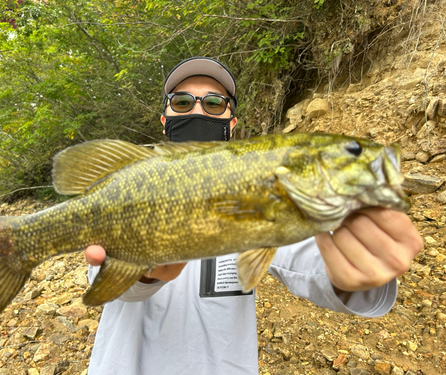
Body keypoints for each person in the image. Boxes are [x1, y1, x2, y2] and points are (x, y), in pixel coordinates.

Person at [84, 57, 423, 374]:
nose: (198, 111)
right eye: (183, 102)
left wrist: (361, 268)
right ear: (165, 119)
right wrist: (143, 274)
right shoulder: (130, 181)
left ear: (231, 122)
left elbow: (314, 264)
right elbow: (104, 282)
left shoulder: (268, 191)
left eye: (214, 103)